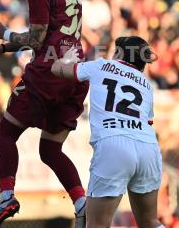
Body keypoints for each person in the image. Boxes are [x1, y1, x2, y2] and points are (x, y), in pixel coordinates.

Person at [0, 0, 89, 228]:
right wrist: (3, 48)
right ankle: (81, 203)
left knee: (5, 135)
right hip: (76, 72)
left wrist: (4, 33)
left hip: (47, 73)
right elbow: (52, 34)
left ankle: (6, 198)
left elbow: (37, 40)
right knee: (50, 150)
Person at [51, 36, 164, 228]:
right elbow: (148, 120)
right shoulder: (147, 85)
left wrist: (67, 58)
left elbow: (57, 69)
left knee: (97, 224)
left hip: (114, 145)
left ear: (119, 53)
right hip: (148, 147)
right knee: (150, 222)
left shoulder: (101, 66)